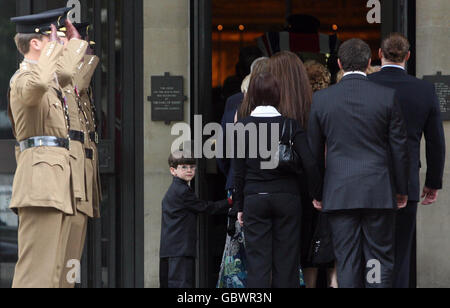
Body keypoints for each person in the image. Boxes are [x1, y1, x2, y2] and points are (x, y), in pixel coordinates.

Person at [308, 38, 410, 288]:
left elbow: (313, 153)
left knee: (347, 259)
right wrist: (400, 188)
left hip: (340, 192)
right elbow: (399, 148)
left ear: (340, 64)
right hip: (377, 191)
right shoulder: (387, 97)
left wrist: (318, 192)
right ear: (368, 63)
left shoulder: (322, 100)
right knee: (377, 258)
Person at [8, 8, 88, 288]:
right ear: (35, 43)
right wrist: (57, 48)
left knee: (57, 274)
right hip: (40, 185)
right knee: (37, 275)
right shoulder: (24, 80)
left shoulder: (50, 84)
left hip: (55, 184)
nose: (58, 43)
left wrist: (74, 43)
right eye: (52, 38)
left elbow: (64, 74)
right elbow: (42, 80)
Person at [368, 33, 446, 288]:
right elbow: (435, 141)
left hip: (370, 180)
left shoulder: (367, 85)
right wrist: (432, 182)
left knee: (373, 249)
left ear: (380, 54)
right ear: (408, 56)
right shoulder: (424, 89)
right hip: (408, 181)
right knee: (401, 254)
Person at [234, 72, 323, 288]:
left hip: (255, 197)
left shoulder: (241, 127)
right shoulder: (291, 126)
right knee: (287, 262)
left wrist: (238, 205)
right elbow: (310, 163)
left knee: (257, 264)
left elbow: (238, 172)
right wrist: (317, 195)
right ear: (278, 95)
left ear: (252, 96)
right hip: (287, 198)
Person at [59, 22, 101, 288]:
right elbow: (78, 80)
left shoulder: (76, 87)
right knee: (62, 251)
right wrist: (78, 52)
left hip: (82, 173)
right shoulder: (59, 79)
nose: (84, 53)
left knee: (74, 249)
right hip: (70, 176)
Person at [160, 150, 229, 288]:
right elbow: (205, 207)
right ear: (173, 171)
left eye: (192, 167)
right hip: (180, 250)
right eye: (184, 167)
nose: (189, 170)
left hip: (170, 249)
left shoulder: (174, 189)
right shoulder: (182, 191)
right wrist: (229, 202)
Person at [302, 60, 337, 289]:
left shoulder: (300, 109)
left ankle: (310, 284)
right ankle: (334, 283)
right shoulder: (333, 105)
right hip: (335, 179)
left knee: (308, 242)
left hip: (306, 184)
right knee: (334, 241)